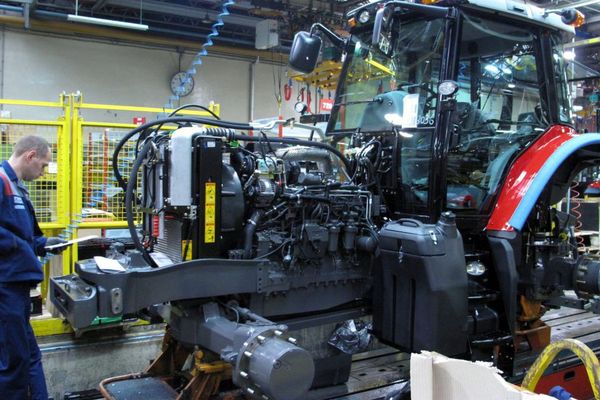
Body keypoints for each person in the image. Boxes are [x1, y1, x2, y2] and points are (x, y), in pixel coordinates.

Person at [0, 135, 66, 399]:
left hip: (17, 287)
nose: (43, 172)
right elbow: (12, 238)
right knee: (14, 362)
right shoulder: (2, 182)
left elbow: (21, 233)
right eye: (43, 165)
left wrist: (43, 243)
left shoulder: (17, 189)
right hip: (5, 286)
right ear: (30, 156)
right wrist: (21, 247)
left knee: (29, 356)